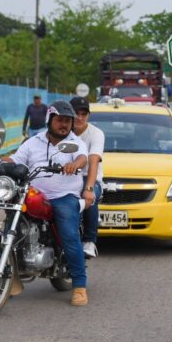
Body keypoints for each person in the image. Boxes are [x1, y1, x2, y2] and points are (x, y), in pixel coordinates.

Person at [6, 100, 90, 306]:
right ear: (49, 120)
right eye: (60, 120)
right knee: (10, 224)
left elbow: (82, 158)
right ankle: (10, 280)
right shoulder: (33, 142)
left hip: (64, 195)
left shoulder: (73, 141)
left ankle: (79, 286)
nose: (64, 125)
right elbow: (16, 160)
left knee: (69, 234)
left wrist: (73, 165)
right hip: (33, 194)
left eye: (68, 122)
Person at [71, 96, 105, 259]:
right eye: (76, 113)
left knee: (87, 197)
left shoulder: (96, 134)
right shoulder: (61, 131)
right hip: (65, 177)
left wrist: (89, 188)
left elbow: (93, 162)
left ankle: (89, 241)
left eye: (83, 114)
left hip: (87, 177)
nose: (79, 117)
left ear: (88, 116)